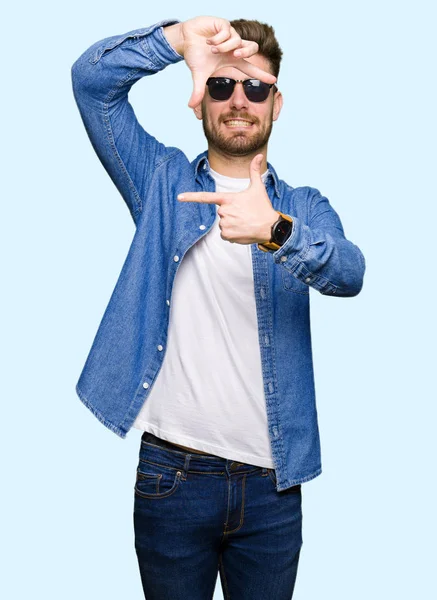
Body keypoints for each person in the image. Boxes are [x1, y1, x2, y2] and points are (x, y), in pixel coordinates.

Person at [71, 15, 366, 599]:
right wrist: (176, 41)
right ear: (201, 99)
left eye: (255, 87)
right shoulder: (162, 181)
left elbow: (350, 273)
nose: (239, 100)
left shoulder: (303, 207)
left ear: (276, 104)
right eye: (222, 85)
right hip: (171, 479)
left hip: (272, 488)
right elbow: (91, 82)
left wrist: (276, 231)